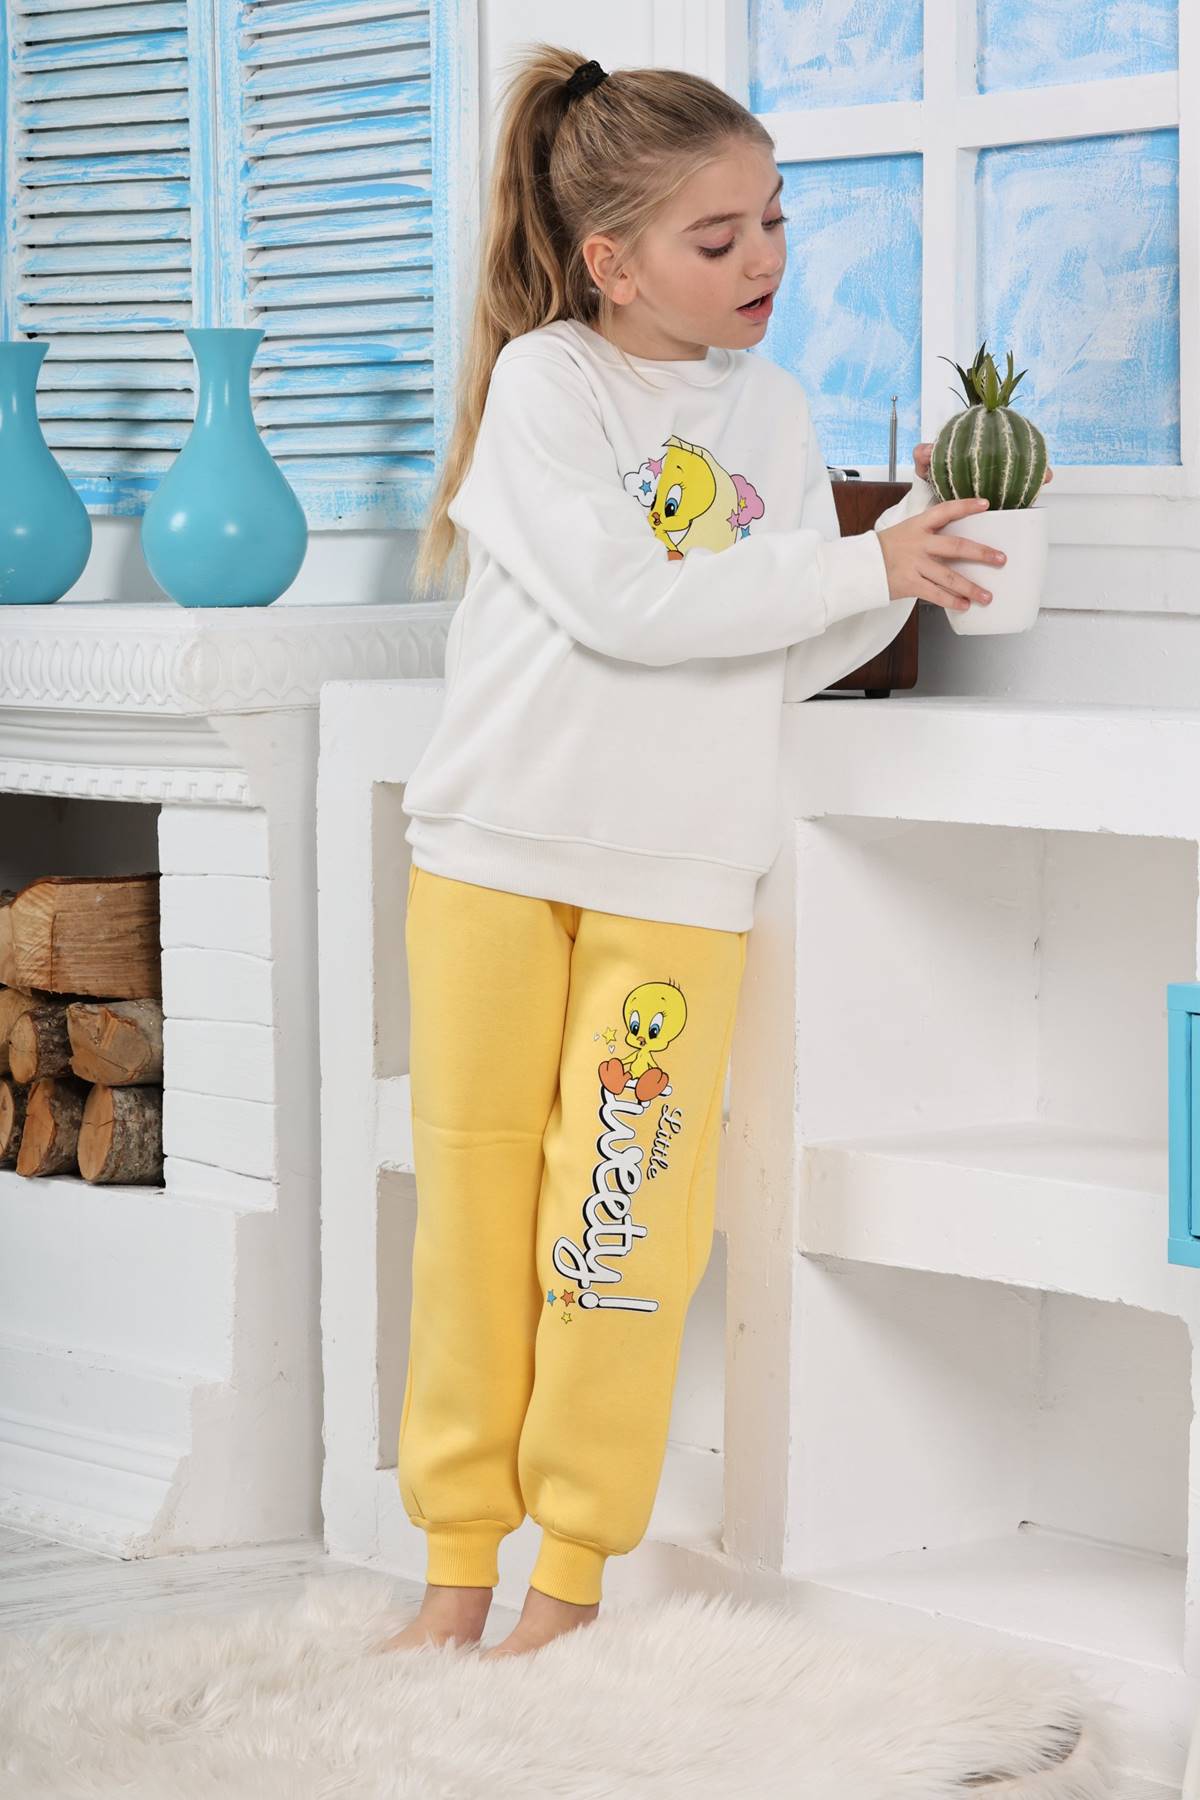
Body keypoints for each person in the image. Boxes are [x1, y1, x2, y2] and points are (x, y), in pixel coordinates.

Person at [383, 45, 1051, 1662]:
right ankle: (455, 1573)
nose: (765, 258)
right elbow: (628, 604)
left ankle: (567, 1588)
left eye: (776, 220)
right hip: (493, 853)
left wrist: (899, 575)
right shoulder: (548, 387)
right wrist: (852, 565)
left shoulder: (777, 409)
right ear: (612, 261)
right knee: (475, 1212)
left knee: (623, 1225)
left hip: (679, 874)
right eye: (719, 234)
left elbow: (779, 649)